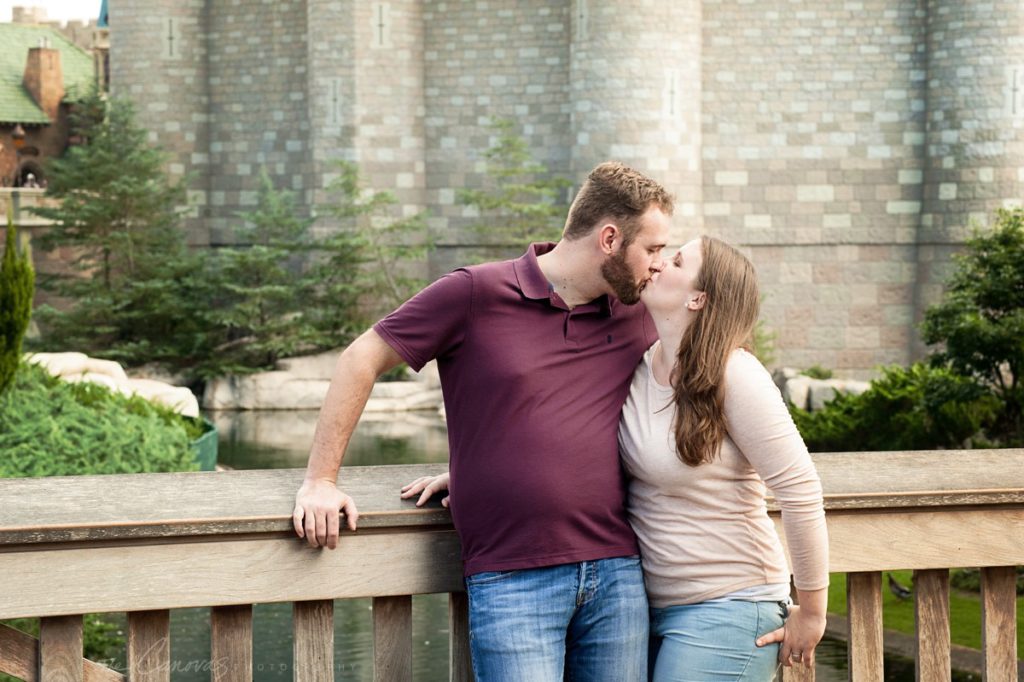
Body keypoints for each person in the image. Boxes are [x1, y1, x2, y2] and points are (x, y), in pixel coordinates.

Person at [293, 161, 674, 681]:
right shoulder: (474, 294)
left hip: (619, 576)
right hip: (513, 581)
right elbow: (360, 359)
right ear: (610, 238)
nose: (660, 264)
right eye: (652, 249)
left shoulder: (637, 311)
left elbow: (711, 361)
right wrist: (320, 480)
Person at [618, 236, 829, 680]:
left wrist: (811, 611)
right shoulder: (640, 366)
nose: (656, 264)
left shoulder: (735, 374)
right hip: (654, 610)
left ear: (698, 297)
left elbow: (800, 488)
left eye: (675, 261)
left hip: (732, 605)